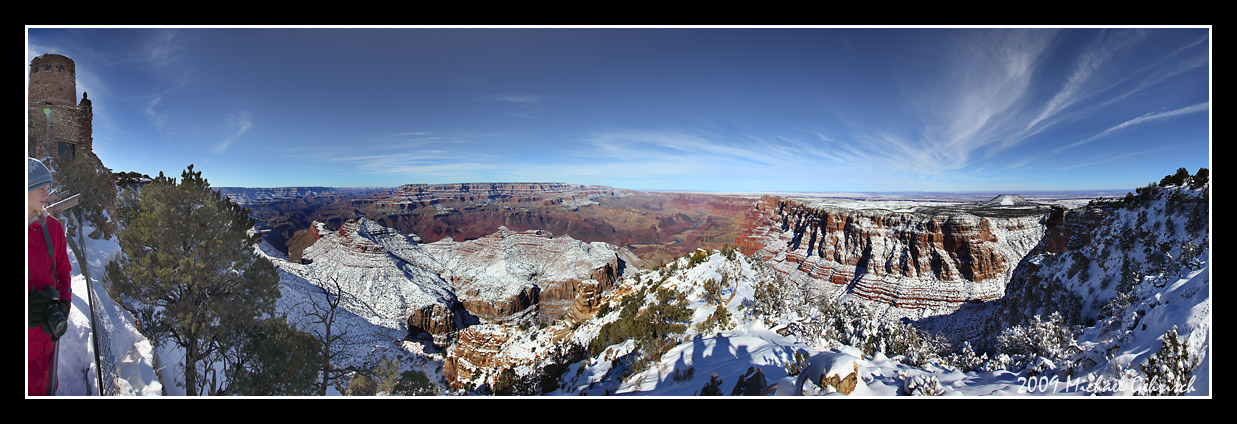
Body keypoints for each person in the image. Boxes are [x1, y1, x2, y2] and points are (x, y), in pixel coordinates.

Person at [28, 157, 71, 396]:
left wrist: (64, 302)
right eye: (41, 188)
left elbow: (64, 272)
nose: (47, 193)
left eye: (48, 188)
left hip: (49, 337)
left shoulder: (53, 228)